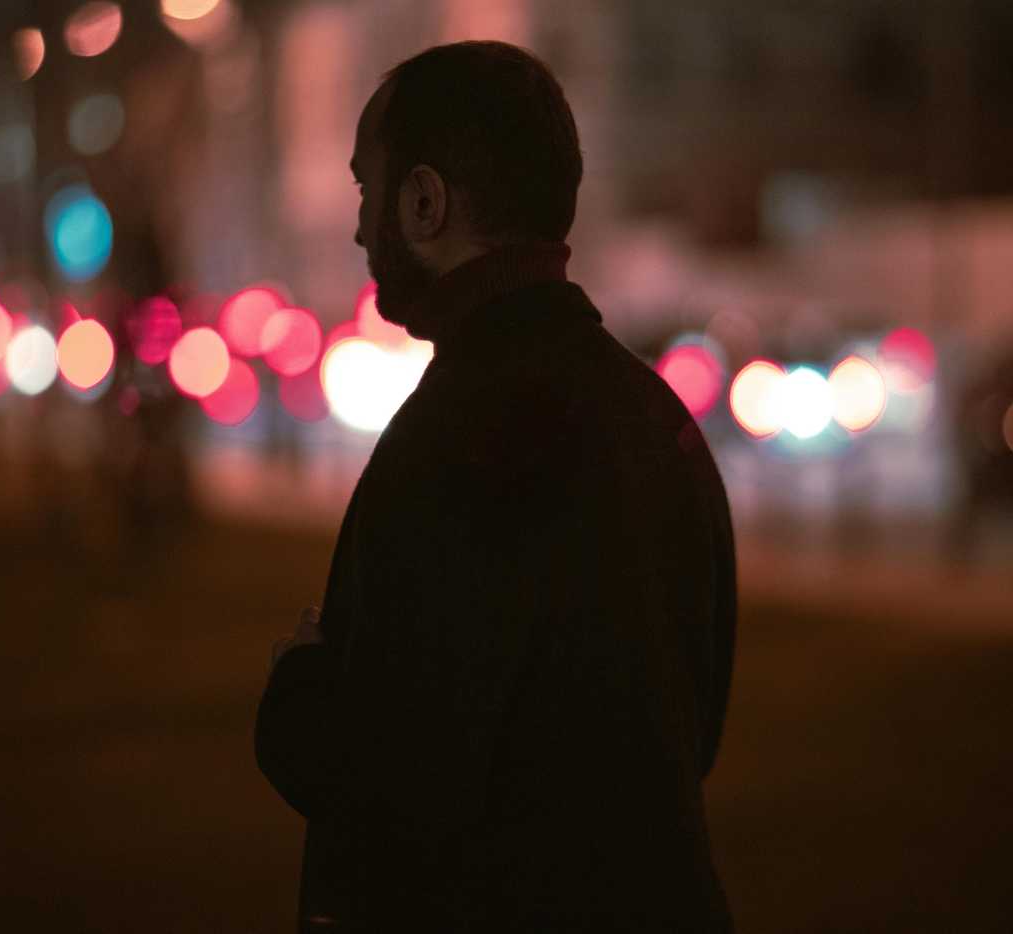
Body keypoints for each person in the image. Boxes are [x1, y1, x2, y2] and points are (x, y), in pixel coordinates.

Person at [255, 40, 737, 933]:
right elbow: (690, 725)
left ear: (425, 202)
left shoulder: (458, 436)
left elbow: (400, 787)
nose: (362, 228)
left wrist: (299, 694)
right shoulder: (657, 419)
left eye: (368, 189)